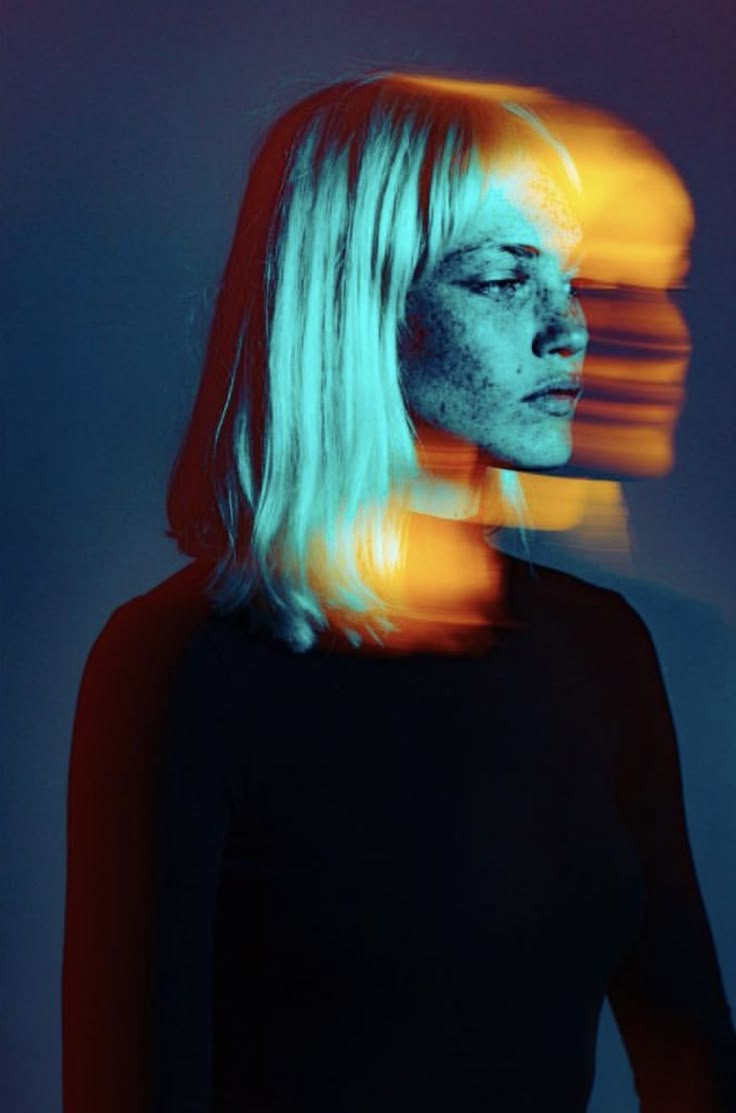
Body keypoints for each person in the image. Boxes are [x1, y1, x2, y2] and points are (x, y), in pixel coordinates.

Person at [64, 72, 736, 1113]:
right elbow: (131, 1082)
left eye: (567, 279)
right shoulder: (185, 662)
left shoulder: (600, 648)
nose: (568, 329)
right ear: (359, 300)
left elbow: (692, 1053)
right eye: (503, 280)